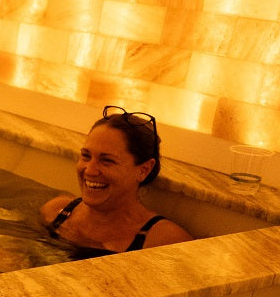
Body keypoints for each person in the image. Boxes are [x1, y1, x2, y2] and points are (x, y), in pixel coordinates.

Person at [39, 105, 193, 258]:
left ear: (143, 170)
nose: (90, 170)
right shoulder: (55, 213)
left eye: (107, 161)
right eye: (86, 156)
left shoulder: (164, 242)